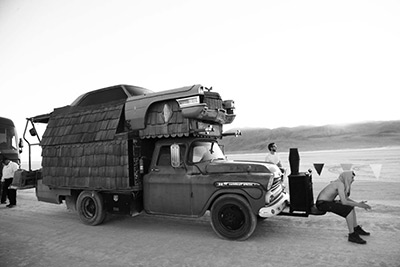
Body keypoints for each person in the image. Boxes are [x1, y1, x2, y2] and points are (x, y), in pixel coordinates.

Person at [316, 171, 372, 244]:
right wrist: (360, 205)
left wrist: (358, 204)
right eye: (352, 177)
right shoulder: (339, 184)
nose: (353, 180)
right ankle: (352, 235)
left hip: (327, 202)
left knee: (350, 206)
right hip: (322, 204)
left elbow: (345, 199)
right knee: (348, 210)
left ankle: (355, 228)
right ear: (347, 177)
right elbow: (344, 202)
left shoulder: (340, 183)